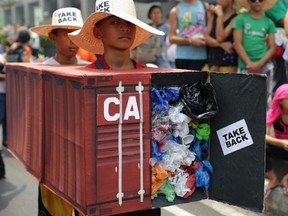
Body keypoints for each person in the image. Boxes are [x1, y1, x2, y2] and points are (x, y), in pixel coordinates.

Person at [68, 0, 163, 215]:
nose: (124, 27)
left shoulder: (153, 78)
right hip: (97, 193)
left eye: (129, 22)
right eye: (114, 22)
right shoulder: (81, 80)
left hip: (142, 191)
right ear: (98, 31)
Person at [31, 7, 89, 216]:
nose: (73, 40)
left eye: (76, 34)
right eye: (66, 33)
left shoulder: (91, 71)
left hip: (84, 159)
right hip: (53, 160)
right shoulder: (40, 72)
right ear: (53, 36)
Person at [233, 0, 276, 101]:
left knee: (264, 100)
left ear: (264, 2)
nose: (257, 2)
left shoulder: (269, 22)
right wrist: (250, 64)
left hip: (265, 66)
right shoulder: (240, 19)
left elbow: (272, 47)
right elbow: (237, 44)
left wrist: (259, 64)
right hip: (245, 66)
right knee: (243, 99)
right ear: (248, 2)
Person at [168, 0, 207, 70]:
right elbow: (171, 38)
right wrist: (191, 41)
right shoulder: (175, 10)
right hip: (182, 57)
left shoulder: (204, 6)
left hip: (201, 57)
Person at [265, 83, 288, 197]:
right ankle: (273, 179)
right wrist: (282, 142)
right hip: (279, 147)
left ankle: (286, 179)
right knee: (259, 146)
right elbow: (262, 135)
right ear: (280, 102)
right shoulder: (274, 113)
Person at [203, 0, 238, 73]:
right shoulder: (212, 14)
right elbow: (205, 38)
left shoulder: (236, 18)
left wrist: (220, 16)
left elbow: (220, 38)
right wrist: (221, 45)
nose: (218, 1)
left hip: (227, 65)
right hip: (211, 62)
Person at [265, 0, 288, 97]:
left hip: (284, 45)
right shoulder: (270, 2)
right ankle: (276, 109)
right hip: (279, 48)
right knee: (280, 81)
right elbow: (283, 20)